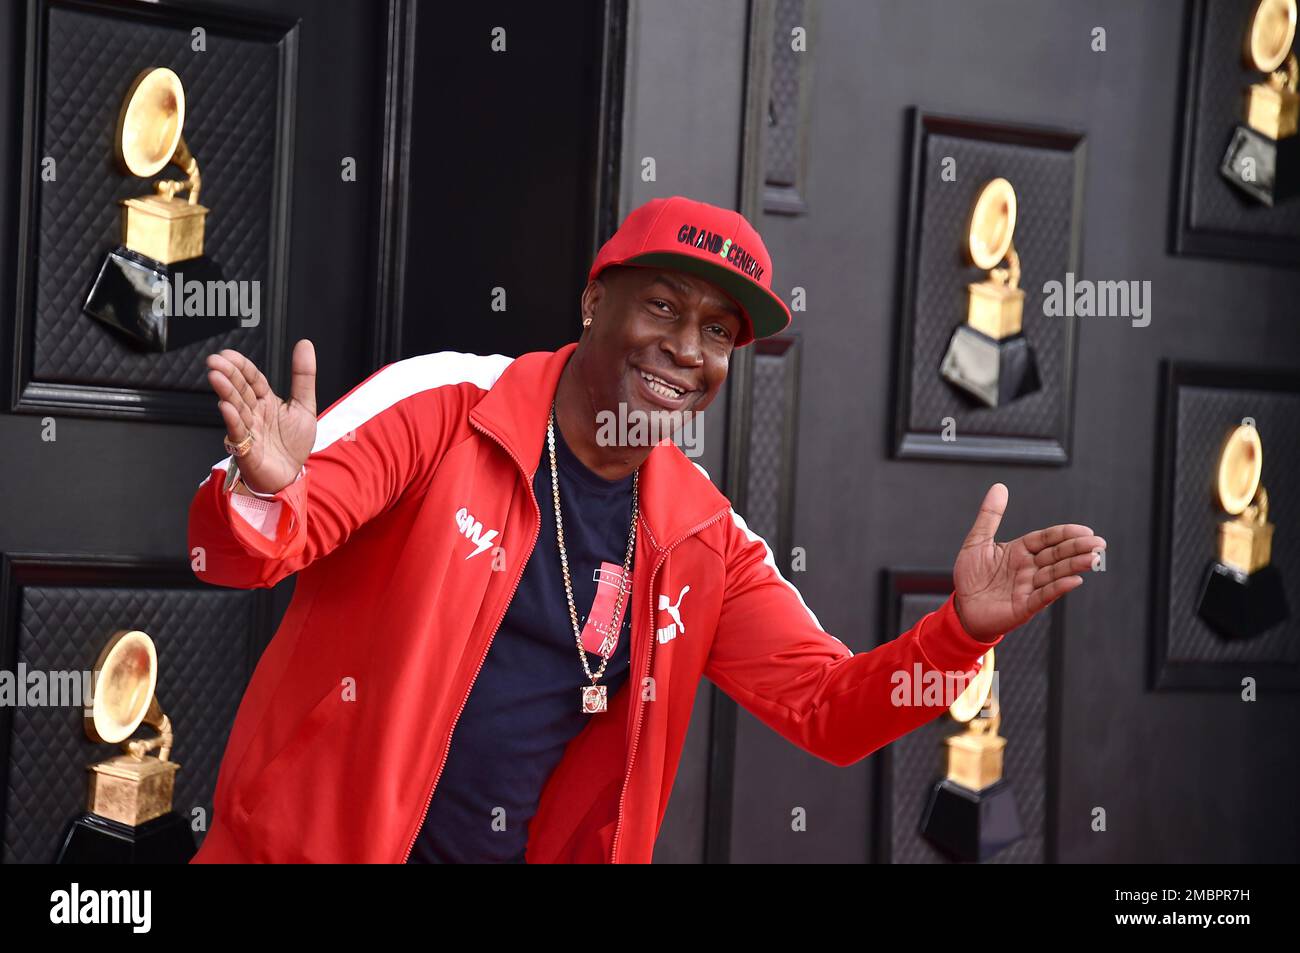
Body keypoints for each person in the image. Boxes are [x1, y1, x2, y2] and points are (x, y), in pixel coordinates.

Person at [187, 194, 1105, 863]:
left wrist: (958, 635)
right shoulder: (446, 404)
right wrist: (266, 487)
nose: (686, 348)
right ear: (597, 300)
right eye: (663, 306)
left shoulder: (703, 538)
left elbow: (828, 710)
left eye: (717, 331)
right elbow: (251, 550)